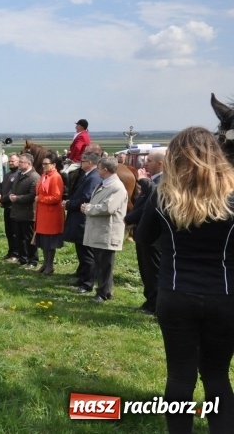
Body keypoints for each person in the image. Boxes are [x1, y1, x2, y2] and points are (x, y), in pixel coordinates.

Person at [136, 127, 234, 433]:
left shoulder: (163, 195)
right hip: (225, 296)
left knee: (179, 376)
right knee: (217, 375)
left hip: (176, 294)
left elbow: (143, 237)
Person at [80, 157, 128, 303]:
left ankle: (102, 293)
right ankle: (106, 291)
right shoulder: (104, 184)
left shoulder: (117, 187)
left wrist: (88, 208)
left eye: (99, 168)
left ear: (105, 170)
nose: (97, 170)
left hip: (108, 231)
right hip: (99, 230)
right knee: (100, 262)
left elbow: (109, 207)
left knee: (105, 264)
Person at [63, 152, 102, 293]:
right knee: (81, 251)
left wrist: (69, 204)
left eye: (83, 160)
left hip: (84, 220)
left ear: (90, 163)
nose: (81, 162)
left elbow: (86, 197)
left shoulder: (93, 177)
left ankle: (87, 283)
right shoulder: (87, 175)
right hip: (79, 219)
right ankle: (82, 277)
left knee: (87, 253)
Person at [125, 177, 159, 314]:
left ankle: (154, 304)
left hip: (153, 236)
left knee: (153, 271)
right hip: (143, 233)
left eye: (150, 161)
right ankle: (149, 300)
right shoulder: (153, 181)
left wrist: (143, 179)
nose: (147, 163)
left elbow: (153, 198)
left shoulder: (159, 181)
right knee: (145, 270)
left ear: (159, 164)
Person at [33, 152, 64, 274]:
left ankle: (50, 265)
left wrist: (40, 199)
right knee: (44, 240)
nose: (44, 166)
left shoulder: (56, 177)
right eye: (43, 164)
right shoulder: (44, 176)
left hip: (51, 214)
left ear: (54, 165)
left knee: (49, 241)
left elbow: (56, 197)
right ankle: (45, 263)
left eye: (47, 164)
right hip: (42, 213)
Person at [9, 153, 40, 268]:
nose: (19, 164)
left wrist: (17, 198)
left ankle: (32, 260)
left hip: (28, 213)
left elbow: (32, 196)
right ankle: (23, 258)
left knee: (29, 238)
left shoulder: (34, 177)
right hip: (17, 212)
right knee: (19, 237)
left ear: (29, 163)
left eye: (21, 162)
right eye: (19, 161)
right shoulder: (19, 175)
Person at [0, 153, 20, 262]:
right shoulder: (7, 174)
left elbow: (13, 191)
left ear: (19, 161)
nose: (11, 163)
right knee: (8, 231)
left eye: (13, 161)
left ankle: (16, 253)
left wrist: (2, 200)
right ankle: (11, 251)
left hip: (15, 208)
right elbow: (0, 186)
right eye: (10, 161)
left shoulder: (19, 175)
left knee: (15, 232)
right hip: (7, 207)